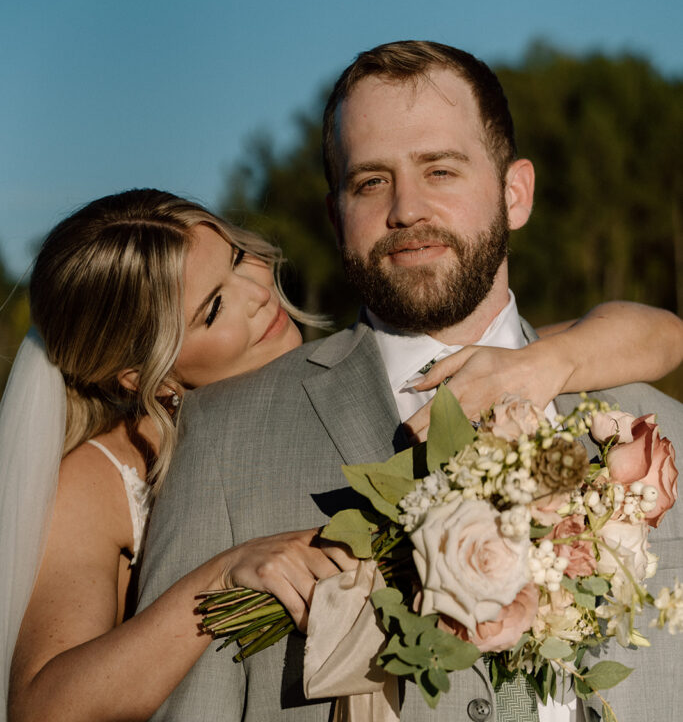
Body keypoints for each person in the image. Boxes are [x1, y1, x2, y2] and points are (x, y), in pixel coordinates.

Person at [138, 41, 683, 722]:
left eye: (441, 171)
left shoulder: (659, 432)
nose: (406, 209)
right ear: (336, 215)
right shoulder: (222, 438)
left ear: (514, 194)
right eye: (370, 182)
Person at [4, 191, 671, 722]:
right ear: (137, 375)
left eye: (237, 258)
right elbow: (45, 706)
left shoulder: (364, 374)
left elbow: (659, 334)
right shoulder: (99, 476)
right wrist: (220, 575)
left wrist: (546, 364)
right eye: (212, 310)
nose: (258, 293)